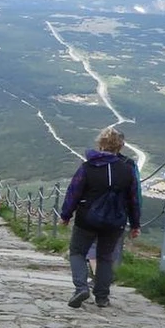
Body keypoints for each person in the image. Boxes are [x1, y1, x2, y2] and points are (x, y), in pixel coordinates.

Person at [59, 126, 142, 309]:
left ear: (101, 144)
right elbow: (134, 199)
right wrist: (135, 224)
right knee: (105, 257)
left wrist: (66, 215)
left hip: (87, 218)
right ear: (120, 146)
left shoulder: (88, 167)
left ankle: (81, 287)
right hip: (115, 221)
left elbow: (73, 193)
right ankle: (102, 297)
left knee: (77, 252)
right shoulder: (128, 169)